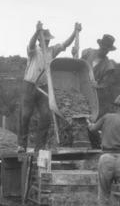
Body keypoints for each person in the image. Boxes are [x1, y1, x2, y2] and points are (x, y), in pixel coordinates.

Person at [18, 21, 81, 153]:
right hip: (29, 85)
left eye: (48, 41)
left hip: (43, 87)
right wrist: (36, 32)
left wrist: (75, 33)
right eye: (44, 40)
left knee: (46, 115)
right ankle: (21, 145)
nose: (46, 42)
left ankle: (39, 147)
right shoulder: (34, 50)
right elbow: (31, 44)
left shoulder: (52, 51)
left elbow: (65, 44)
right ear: (41, 42)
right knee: (25, 115)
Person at [88, 93, 120, 206]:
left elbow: (92, 129)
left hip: (106, 158)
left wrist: (89, 123)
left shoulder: (106, 117)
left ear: (116, 106)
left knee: (103, 193)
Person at [81, 34, 116, 119]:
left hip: (90, 93)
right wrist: (73, 54)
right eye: (103, 47)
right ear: (100, 45)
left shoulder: (109, 66)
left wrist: (98, 85)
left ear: (109, 50)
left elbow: (106, 83)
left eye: (107, 48)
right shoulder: (88, 52)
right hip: (77, 83)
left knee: (85, 114)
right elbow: (77, 64)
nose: (105, 50)